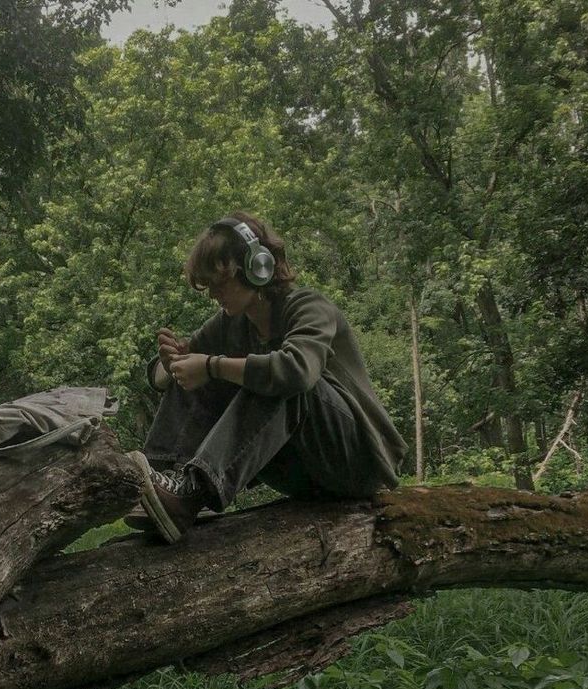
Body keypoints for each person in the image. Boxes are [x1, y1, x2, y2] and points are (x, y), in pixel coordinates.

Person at [133, 212, 407, 543]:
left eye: (220, 282)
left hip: (355, 464)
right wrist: (171, 362)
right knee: (209, 370)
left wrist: (211, 365)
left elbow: (296, 372)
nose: (213, 294)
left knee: (279, 375)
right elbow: (172, 374)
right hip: (304, 472)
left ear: (257, 267)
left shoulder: (309, 307)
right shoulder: (230, 323)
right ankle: (157, 489)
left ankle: (194, 490)